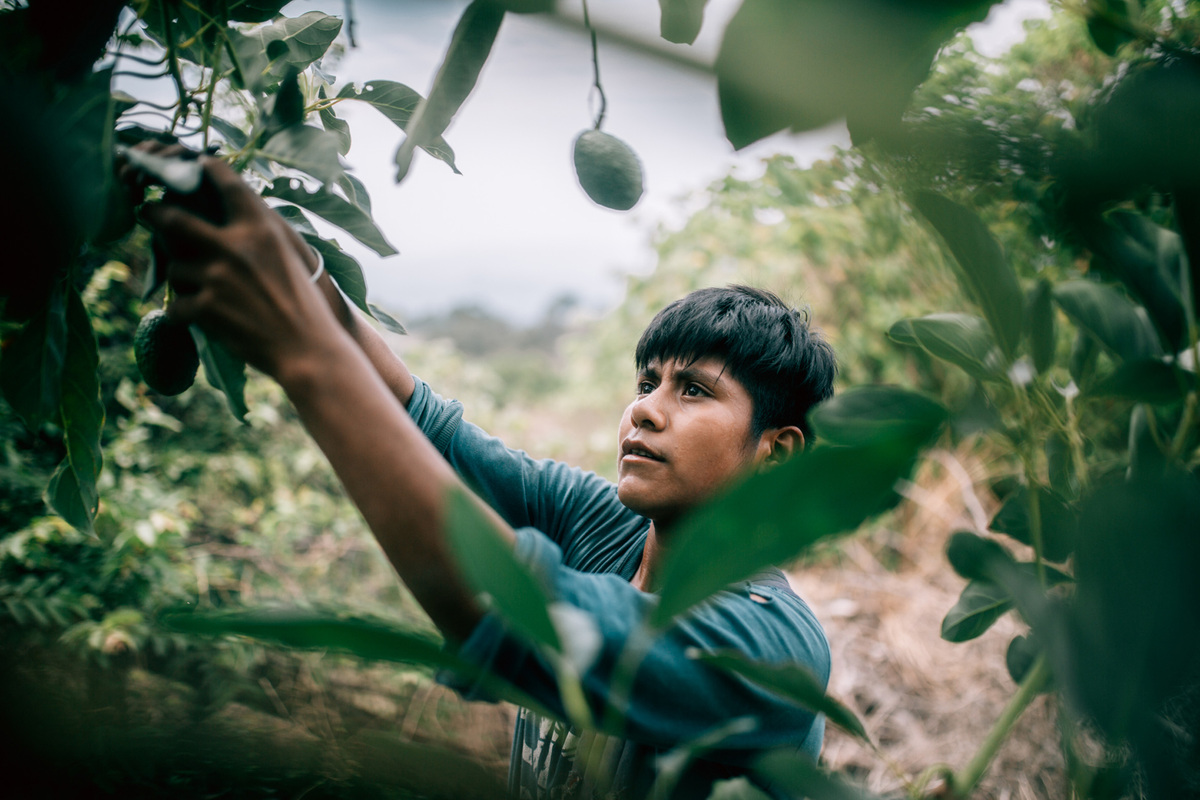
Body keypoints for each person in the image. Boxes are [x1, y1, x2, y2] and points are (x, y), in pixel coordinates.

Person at [135, 152, 837, 799]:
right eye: (648, 381)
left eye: (693, 391)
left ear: (774, 454)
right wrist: (303, 271)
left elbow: (509, 610)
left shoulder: (768, 650)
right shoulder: (611, 530)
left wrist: (300, 351)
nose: (644, 410)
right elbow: (424, 423)